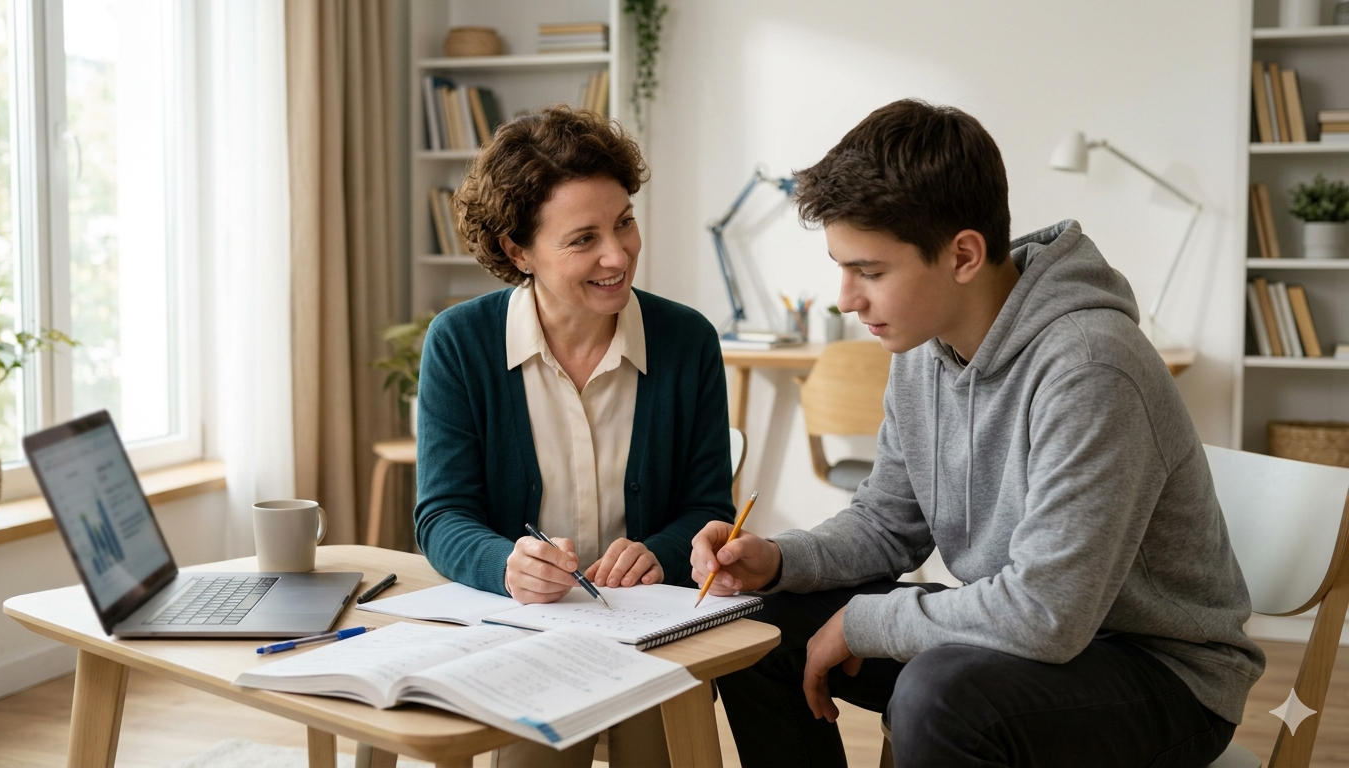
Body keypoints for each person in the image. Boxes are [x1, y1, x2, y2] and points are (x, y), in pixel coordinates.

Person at [691, 99, 1266, 767]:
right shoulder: (919, 350)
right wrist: (781, 559)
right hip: (1027, 637)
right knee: (754, 623)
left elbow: (1047, 613)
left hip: (1161, 673)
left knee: (939, 697)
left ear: (963, 254)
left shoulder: (1091, 365)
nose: (846, 298)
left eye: (870, 272)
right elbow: (887, 523)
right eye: (843, 268)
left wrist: (863, 622)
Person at [414, 105, 735, 767]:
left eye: (623, 223)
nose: (617, 255)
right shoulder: (460, 343)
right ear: (517, 250)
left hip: (653, 626)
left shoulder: (688, 341)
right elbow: (442, 515)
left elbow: (710, 508)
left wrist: (661, 551)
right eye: (583, 238)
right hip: (527, 633)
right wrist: (507, 565)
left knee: (661, 747)